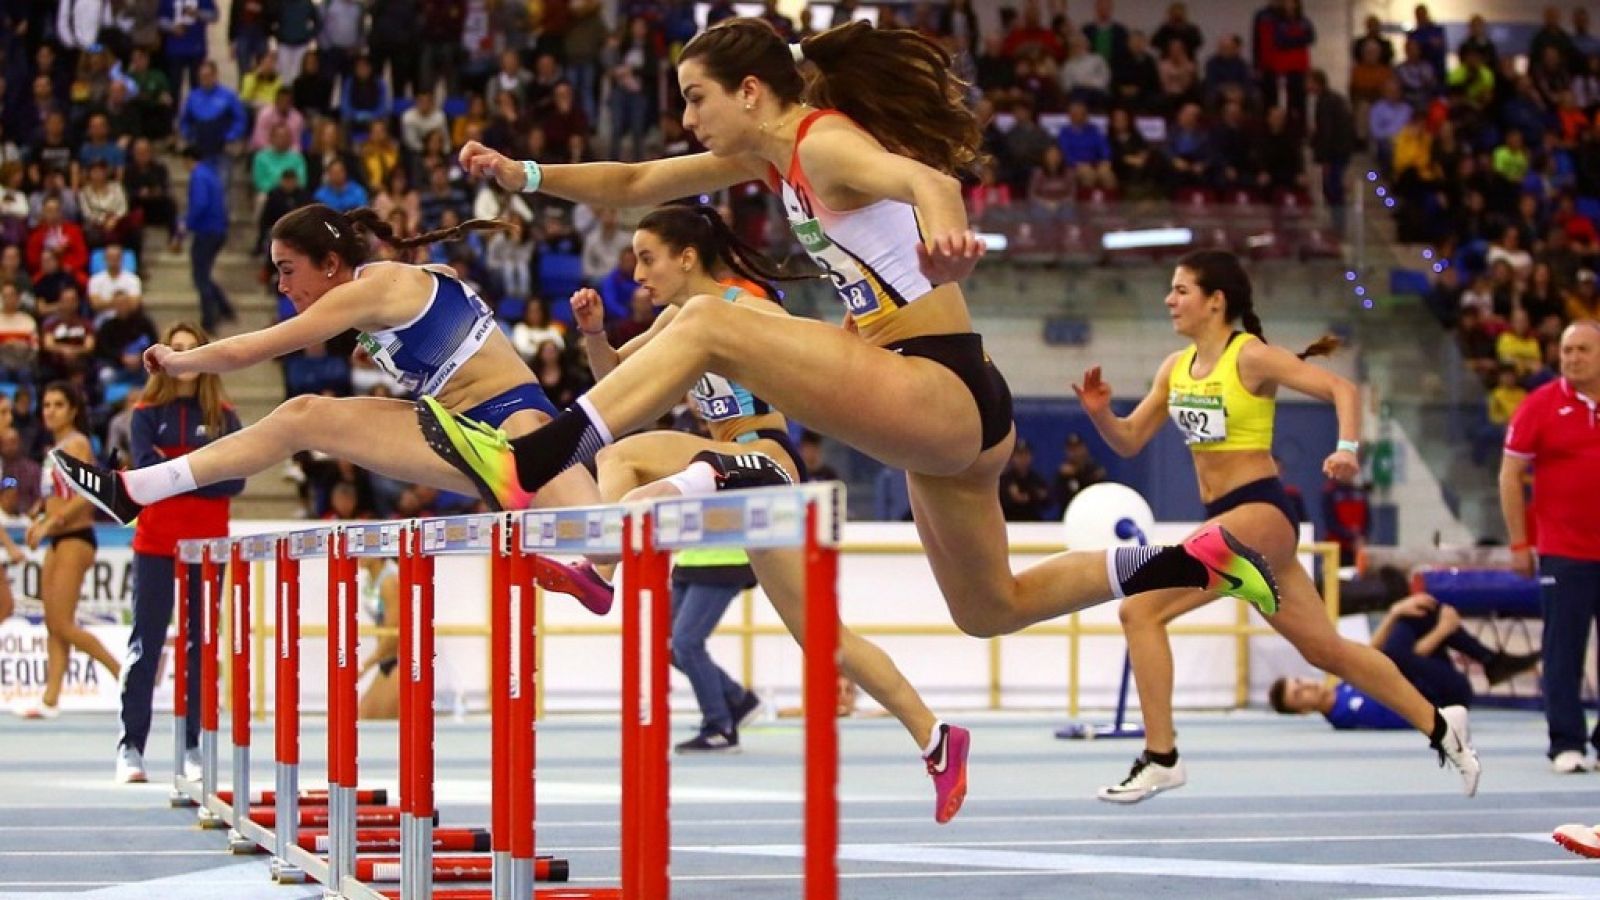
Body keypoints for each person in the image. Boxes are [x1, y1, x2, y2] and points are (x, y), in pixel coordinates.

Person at [418, 19, 1286, 689]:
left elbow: (931, 183)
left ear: (750, 91)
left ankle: (550, 447)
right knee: (991, 609)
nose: (687, 119)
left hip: (935, 381)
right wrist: (522, 174)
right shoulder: (773, 162)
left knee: (710, 320)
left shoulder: (820, 144)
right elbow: (640, 182)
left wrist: (947, 241)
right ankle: (1194, 560)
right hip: (947, 405)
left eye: (695, 99)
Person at [571, 203, 967, 820]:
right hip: (721, 460)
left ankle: (937, 738)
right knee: (621, 454)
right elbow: (620, 384)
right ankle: (601, 574)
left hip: (768, 464)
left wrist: (855, 333)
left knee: (819, 635)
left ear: (686, 257)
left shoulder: (750, 308)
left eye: (647, 259)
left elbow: (824, 357)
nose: (637, 274)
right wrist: (596, 336)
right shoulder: (678, 321)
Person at [49, 204, 610, 614]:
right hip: (459, 430)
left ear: (332, 262)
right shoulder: (394, 287)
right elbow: (446, 284)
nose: (281, 283)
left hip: (514, 422)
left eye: (288, 269)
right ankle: (136, 489)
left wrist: (180, 359)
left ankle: (664, 498)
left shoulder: (367, 289)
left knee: (610, 538)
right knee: (303, 415)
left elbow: (260, 346)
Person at [1077, 250, 1479, 802]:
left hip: (1259, 513)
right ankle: (1441, 725)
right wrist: (1101, 413)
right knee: (1327, 652)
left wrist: (1345, 450)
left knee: (1139, 610)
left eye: (1180, 290)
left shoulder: (1250, 358)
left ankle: (1161, 755)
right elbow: (1128, 440)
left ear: (1215, 302)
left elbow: (1344, 390)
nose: (1169, 300)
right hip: (1229, 520)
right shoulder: (1174, 367)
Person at [116, 323, 244, 783]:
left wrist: (174, 472)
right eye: (179, 349)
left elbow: (237, 478)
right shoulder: (147, 412)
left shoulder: (225, 414)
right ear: (167, 358)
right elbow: (145, 479)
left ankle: (193, 744)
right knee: (146, 644)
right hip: (155, 544)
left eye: (194, 349)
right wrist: (202, 467)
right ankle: (131, 746)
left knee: (200, 647)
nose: (187, 357)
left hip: (207, 548)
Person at [1500, 319, 1600, 774]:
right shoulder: (1539, 406)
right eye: (1567, 350)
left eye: (1583, 350)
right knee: (1563, 648)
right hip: (1564, 550)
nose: (1573, 357)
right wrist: (1520, 541)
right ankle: (1566, 742)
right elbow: (1509, 476)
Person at [1269, 593, 1540, 729]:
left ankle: (1491, 660)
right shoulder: (1348, 712)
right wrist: (1442, 632)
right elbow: (1406, 693)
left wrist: (1395, 611)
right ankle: (1490, 660)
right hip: (1445, 698)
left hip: (1428, 676)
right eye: (1299, 695)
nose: (1306, 687)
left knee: (1414, 615)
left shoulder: (1341, 688)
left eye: (1299, 682)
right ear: (1303, 711)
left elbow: (1368, 654)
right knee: (1399, 651)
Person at [14, 383, 123, 719]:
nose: (50, 410)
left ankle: (123, 675)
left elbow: (87, 495)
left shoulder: (77, 444)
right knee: (53, 624)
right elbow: (58, 494)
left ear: (73, 409)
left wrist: (51, 522)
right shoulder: (55, 448)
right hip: (58, 539)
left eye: (58, 404)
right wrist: (39, 514)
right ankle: (50, 698)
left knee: (62, 624)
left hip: (76, 538)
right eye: (46, 404)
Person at [667, 547, 763, 752]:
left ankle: (720, 727)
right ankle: (737, 699)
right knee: (662, 644)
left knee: (686, 643)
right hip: (688, 559)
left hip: (723, 560)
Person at [356, 556, 401, 720]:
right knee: (364, 715)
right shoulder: (370, 581)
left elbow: (394, 634)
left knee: (376, 719)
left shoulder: (389, 581)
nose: (356, 556)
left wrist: (365, 665)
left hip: (402, 660)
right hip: (388, 659)